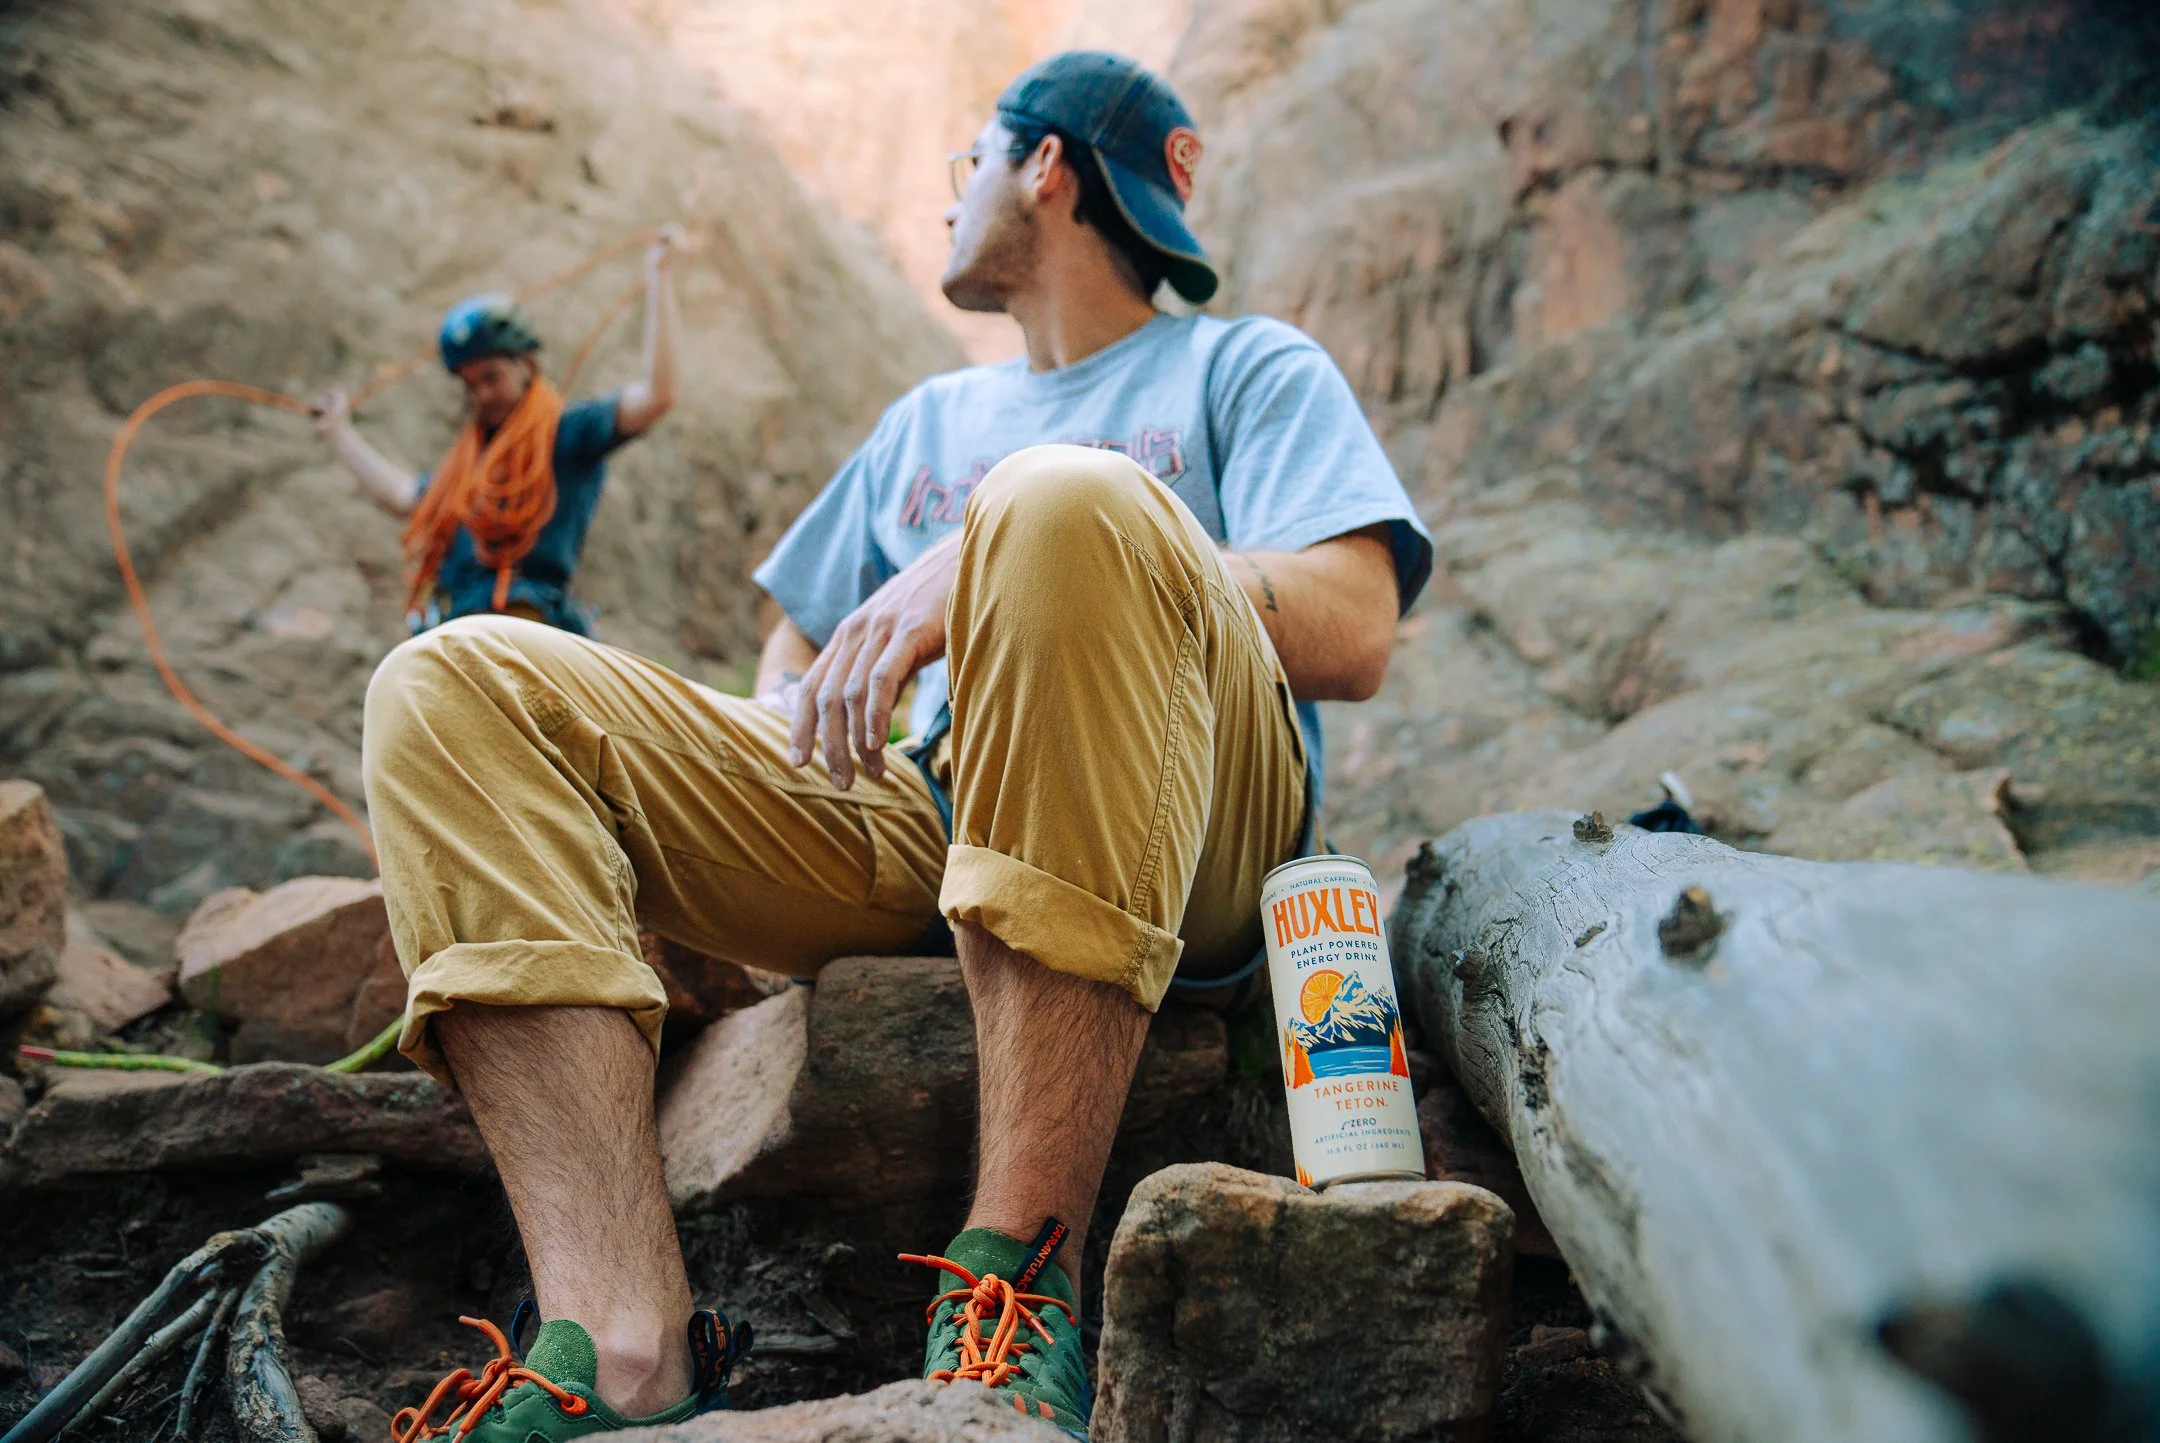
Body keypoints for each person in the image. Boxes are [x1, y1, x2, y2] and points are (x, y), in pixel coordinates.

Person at [361, 51, 1431, 1442]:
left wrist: (1008, 550)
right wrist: (774, 757)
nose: (952, 202)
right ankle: (621, 1346)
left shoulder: (1241, 366)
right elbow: (799, 654)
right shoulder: (926, 419)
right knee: (451, 679)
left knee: (1064, 505)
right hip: (917, 810)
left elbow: (1354, 624)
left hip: (1188, 823)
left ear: (1044, 166)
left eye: (967, 167)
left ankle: (1014, 1284)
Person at [314, 226, 683, 637]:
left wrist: (660, 279)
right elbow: (403, 496)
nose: (482, 394)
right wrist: (339, 433)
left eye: (491, 377)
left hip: (523, 625)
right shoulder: (469, 463)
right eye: (470, 385)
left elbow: (656, 396)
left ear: (526, 364)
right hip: (456, 629)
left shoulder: (565, 433)